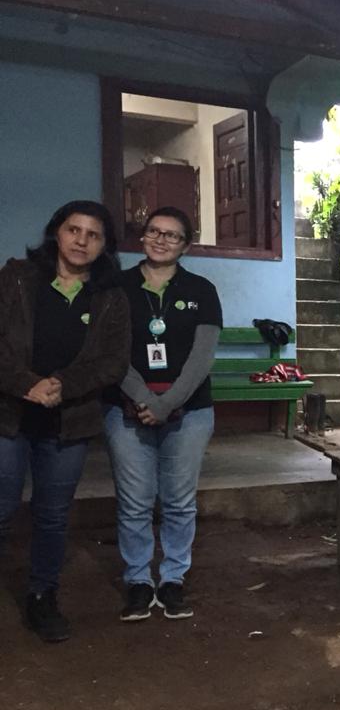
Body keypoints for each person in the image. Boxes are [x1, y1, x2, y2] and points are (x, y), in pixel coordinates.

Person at [0, 200, 130, 642]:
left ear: (104, 245)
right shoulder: (17, 277)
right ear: (56, 232)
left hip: (69, 422)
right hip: (10, 416)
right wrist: (25, 384)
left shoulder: (110, 297)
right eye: (74, 230)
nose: (82, 241)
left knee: (52, 517)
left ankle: (42, 597)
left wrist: (60, 384)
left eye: (93, 235)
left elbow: (113, 362)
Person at [104, 207, 222, 622]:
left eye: (172, 235)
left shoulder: (202, 290)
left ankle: (173, 578)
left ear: (186, 245)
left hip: (189, 413)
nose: (161, 239)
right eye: (155, 231)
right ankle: (138, 581)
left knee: (178, 501)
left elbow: (202, 357)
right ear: (143, 237)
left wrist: (168, 403)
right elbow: (111, 352)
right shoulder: (117, 287)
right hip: (127, 409)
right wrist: (144, 400)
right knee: (134, 502)